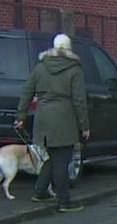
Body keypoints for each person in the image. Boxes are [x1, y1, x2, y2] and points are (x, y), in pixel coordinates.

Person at [15, 33, 90, 213]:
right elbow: (79, 100)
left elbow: (27, 91)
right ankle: (64, 201)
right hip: (63, 118)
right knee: (62, 160)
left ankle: (40, 192)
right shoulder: (75, 69)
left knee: (53, 157)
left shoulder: (40, 67)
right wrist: (84, 126)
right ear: (69, 48)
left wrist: (21, 116)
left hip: (43, 117)